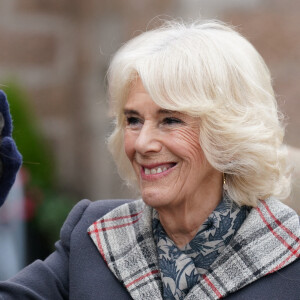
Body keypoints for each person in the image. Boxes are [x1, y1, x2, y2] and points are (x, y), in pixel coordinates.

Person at [0, 19, 299, 300]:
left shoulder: (288, 251)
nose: (142, 143)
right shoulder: (95, 235)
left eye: (169, 120)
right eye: (133, 120)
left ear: (227, 132)